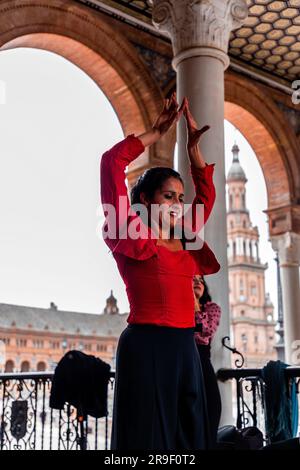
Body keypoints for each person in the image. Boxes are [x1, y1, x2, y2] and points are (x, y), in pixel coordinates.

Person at [100, 91, 220, 450]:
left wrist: (192, 151)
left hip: (186, 348)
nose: (177, 204)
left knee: (190, 437)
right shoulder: (129, 235)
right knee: (149, 441)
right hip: (147, 345)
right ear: (146, 201)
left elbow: (206, 197)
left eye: (179, 198)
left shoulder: (185, 238)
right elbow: (111, 163)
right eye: (168, 196)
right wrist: (156, 132)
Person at [193, 274, 222, 448]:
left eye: (201, 280)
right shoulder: (178, 308)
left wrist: (194, 304)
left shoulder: (212, 309)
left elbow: (205, 332)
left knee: (212, 408)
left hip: (203, 363)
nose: (198, 282)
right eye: (193, 279)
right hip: (184, 362)